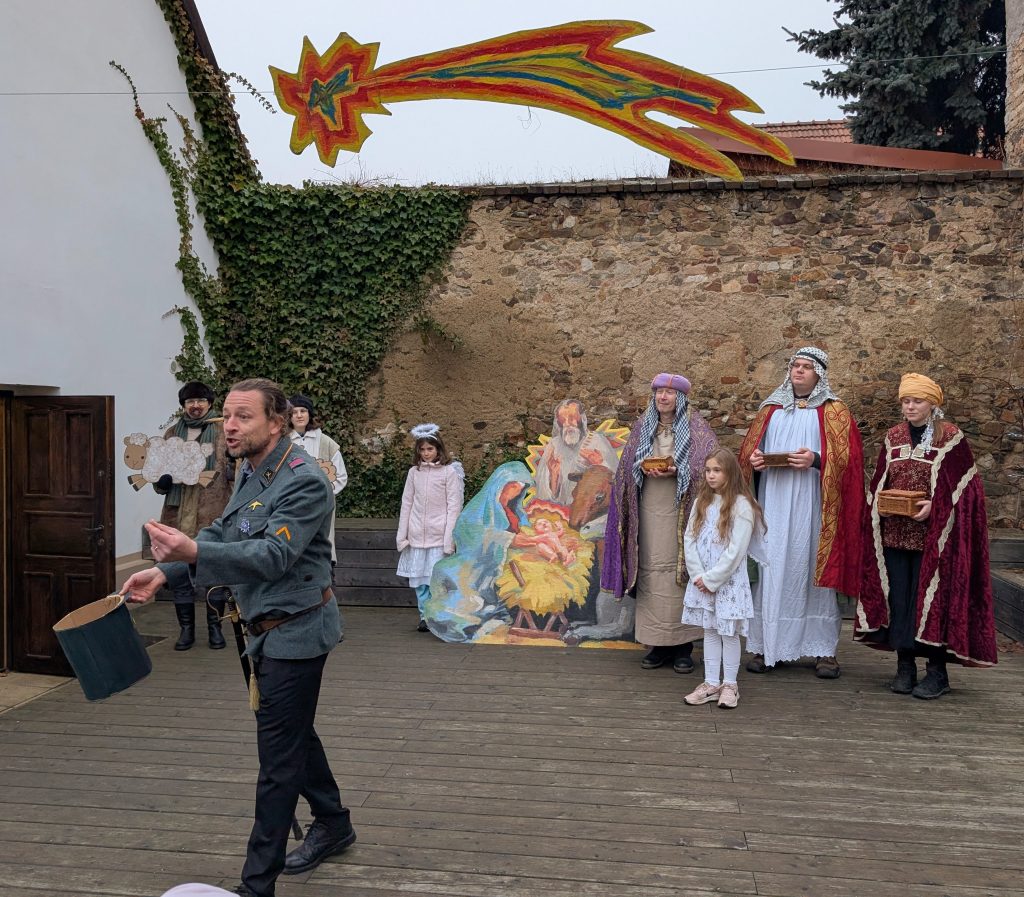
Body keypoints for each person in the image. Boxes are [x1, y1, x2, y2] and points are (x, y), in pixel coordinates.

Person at [123, 378, 355, 897]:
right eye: (226, 415)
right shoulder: (250, 469)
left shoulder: (304, 480)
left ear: (277, 423)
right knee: (291, 732)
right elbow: (225, 531)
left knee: (277, 764)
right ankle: (334, 822)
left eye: (242, 416)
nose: (228, 426)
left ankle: (256, 886)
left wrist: (191, 554)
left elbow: (274, 555)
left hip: (297, 632)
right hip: (262, 631)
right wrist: (164, 573)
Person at [855, 373, 998, 698]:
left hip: (935, 541)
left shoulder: (951, 438)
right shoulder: (893, 436)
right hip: (894, 535)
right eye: (906, 401)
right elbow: (880, 480)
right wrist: (881, 505)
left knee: (932, 603)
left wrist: (936, 506)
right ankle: (905, 667)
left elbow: (967, 490)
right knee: (900, 600)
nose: (910, 407)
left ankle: (937, 672)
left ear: (932, 404)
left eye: (917, 401)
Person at [738, 347, 864, 679]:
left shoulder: (835, 412)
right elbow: (749, 452)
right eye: (795, 365)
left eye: (807, 367)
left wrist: (816, 460)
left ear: (819, 374)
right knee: (772, 563)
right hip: (774, 501)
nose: (799, 371)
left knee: (811, 568)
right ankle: (766, 646)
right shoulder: (771, 409)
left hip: (814, 503)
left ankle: (823, 650)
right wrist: (755, 460)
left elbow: (850, 461)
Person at [602, 373, 719, 673]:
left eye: (669, 393)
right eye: (658, 392)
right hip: (648, 510)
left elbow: (710, 466)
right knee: (652, 571)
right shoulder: (644, 426)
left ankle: (683, 646)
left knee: (679, 573)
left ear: (681, 398)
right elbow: (624, 470)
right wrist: (639, 467)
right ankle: (656, 645)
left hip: (682, 512)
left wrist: (679, 471)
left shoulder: (697, 428)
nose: (663, 397)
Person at [681, 448, 766, 710]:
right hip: (702, 581)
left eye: (717, 470)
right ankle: (710, 683)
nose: (711, 475)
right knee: (709, 630)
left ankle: (730, 684)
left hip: (727, 583)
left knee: (728, 633)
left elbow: (736, 550)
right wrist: (698, 575)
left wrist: (713, 579)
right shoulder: (701, 502)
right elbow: (689, 538)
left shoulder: (742, 505)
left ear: (730, 472)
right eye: (708, 470)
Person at [152, 380, 234, 651]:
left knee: (214, 570)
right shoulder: (172, 434)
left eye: (200, 401)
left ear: (210, 403)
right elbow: (157, 472)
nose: (195, 406)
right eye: (190, 402)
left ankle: (215, 627)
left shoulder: (222, 431)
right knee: (178, 573)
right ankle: (186, 629)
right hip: (178, 512)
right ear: (183, 405)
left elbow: (236, 471)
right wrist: (161, 482)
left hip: (211, 510)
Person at [396, 423, 465, 632]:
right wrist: (402, 535)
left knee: (436, 580)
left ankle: (438, 615)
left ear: (438, 449)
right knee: (420, 581)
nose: (426, 453)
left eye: (430, 449)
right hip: (417, 535)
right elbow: (407, 503)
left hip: (438, 536)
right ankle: (424, 616)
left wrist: (449, 539)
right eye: (422, 449)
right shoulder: (414, 473)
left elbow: (454, 506)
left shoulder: (448, 472)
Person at [288, 394, 348, 565]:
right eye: (294, 412)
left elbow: (340, 477)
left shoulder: (327, 444)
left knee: (320, 547)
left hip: (320, 505)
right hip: (290, 504)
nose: (299, 415)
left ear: (310, 414)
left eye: (303, 411)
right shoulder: (282, 443)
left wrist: (321, 493)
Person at [533, 399, 619, 505]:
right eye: (562, 420)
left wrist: (600, 464)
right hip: (562, 509)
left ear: (582, 418)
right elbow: (543, 494)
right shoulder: (554, 445)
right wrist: (554, 476)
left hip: (590, 510)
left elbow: (617, 481)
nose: (567, 424)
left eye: (571, 418)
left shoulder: (597, 441)